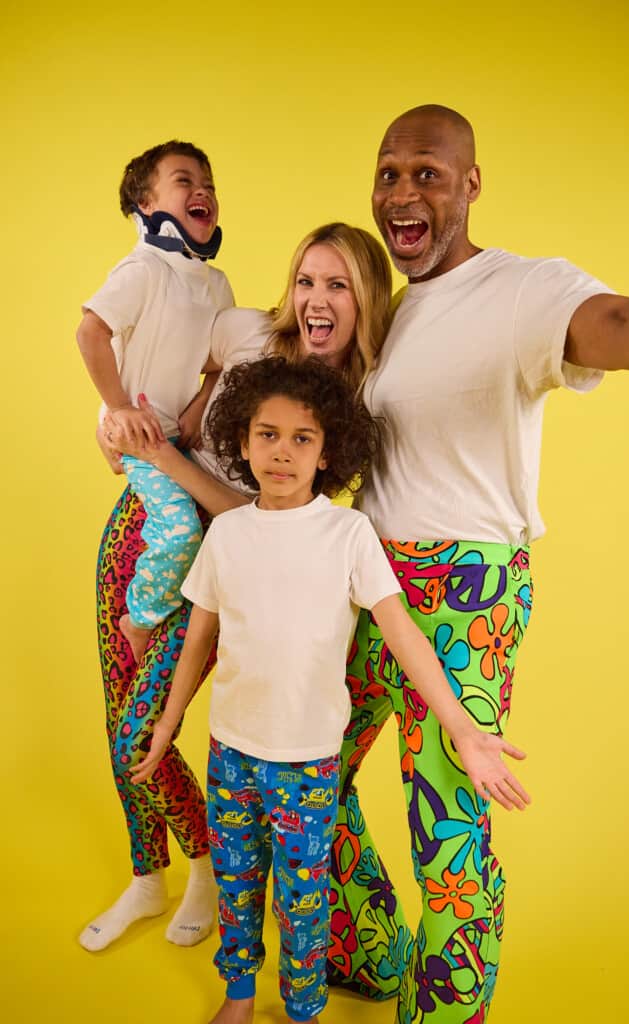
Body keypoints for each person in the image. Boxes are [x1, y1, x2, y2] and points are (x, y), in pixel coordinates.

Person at [326, 104, 629, 1023]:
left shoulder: (525, 290)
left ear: (470, 185)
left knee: (445, 819)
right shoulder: (393, 311)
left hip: (463, 586)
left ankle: (446, 1012)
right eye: (388, 172)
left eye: (428, 174)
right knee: (298, 771)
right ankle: (369, 948)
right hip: (366, 573)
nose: (403, 192)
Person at [130, 355, 530, 1024]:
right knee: (237, 887)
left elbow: (401, 632)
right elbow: (199, 638)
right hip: (230, 756)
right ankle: (236, 994)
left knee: (304, 900)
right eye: (266, 434)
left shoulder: (347, 535)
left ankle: (303, 1006)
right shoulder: (226, 534)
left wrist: (461, 725)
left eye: (301, 438)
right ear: (241, 440)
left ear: (326, 452)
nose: (280, 452)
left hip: (309, 763)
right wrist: (168, 724)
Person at [79, 224, 392, 953]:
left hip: (223, 573)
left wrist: (164, 458)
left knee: (139, 738)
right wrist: (122, 426)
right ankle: (145, 876)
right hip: (141, 527)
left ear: (365, 301)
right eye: (306, 281)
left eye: (337, 285)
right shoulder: (243, 331)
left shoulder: (351, 399)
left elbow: (262, 520)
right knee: (115, 709)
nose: (315, 299)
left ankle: (205, 862)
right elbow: (175, 383)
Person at [76, 140, 233, 665]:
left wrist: (199, 404)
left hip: (177, 430)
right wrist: (117, 409)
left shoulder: (215, 284)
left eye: (208, 184)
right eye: (184, 181)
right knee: (179, 530)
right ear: (147, 205)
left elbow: (218, 363)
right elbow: (90, 333)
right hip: (140, 438)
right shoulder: (142, 269)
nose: (202, 190)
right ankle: (140, 617)